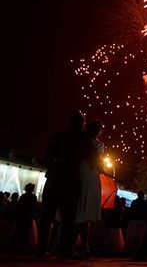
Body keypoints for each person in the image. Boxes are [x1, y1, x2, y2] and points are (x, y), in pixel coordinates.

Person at [36, 111, 86, 259]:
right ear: (81, 123)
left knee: (47, 218)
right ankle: (64, 250)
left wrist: (57, 165)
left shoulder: (58, 136)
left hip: (54, 179)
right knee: (68, 219)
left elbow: (48, 156)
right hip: (70, 182)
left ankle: (41, 249)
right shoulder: (82, 138)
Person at [74, 120, 104, 257]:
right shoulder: (98, 145)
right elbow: (99, 164)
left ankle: (76, 244)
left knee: (79, 210)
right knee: (86, 212)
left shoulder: (79, 140)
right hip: (90, 176)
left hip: (81, 173)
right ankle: (84, 245)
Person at [13, 184, 38, 253]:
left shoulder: (23, 196)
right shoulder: (33, 197)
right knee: (27, 233)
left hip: (21, 217)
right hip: (28, 217)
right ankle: (24, 248)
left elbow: (19, 207)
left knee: (19, 232)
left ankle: (17, 248)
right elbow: (35, 208)